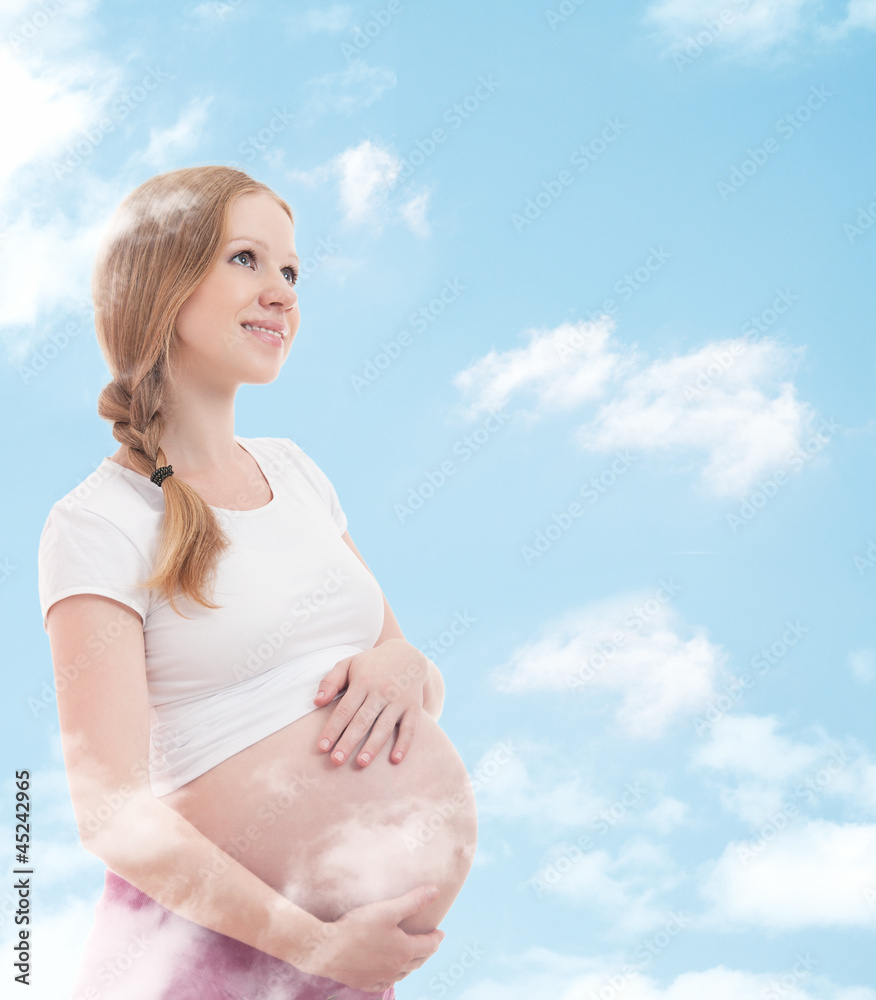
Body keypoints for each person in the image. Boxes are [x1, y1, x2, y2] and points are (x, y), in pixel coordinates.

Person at [37, 166, 478, 998]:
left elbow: (407, 686)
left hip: (347, 974)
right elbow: (111, 814)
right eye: (246, 259)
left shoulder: (299, 474)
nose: (281, 292)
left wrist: (408, 665)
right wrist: (311, 944)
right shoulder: (97, 525)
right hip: (197, 967)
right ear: (161, 282)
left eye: (291, 271)